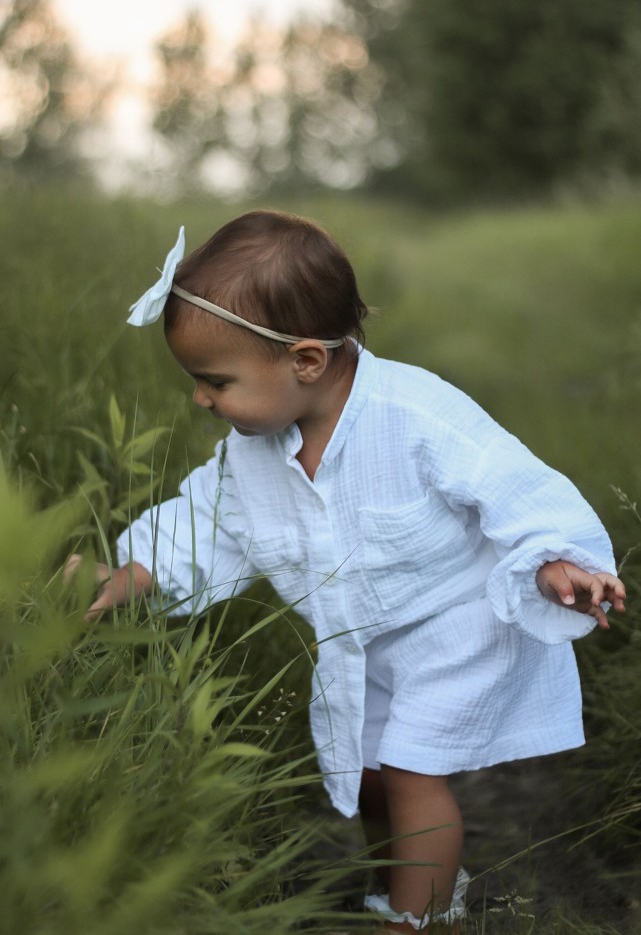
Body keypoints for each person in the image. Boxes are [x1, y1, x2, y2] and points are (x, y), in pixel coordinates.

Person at [67, 210, 625, 934]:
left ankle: (419, 916)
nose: (201, 399)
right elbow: (207, 522)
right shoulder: (251, 454)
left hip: (457, 625)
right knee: (365, 774)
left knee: (411, 772)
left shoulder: (414, 414)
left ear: (304, 361)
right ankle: (392, 881)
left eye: (216, 381)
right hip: (364, 640)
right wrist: (129, 574)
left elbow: (509, 481)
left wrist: (554, 559)